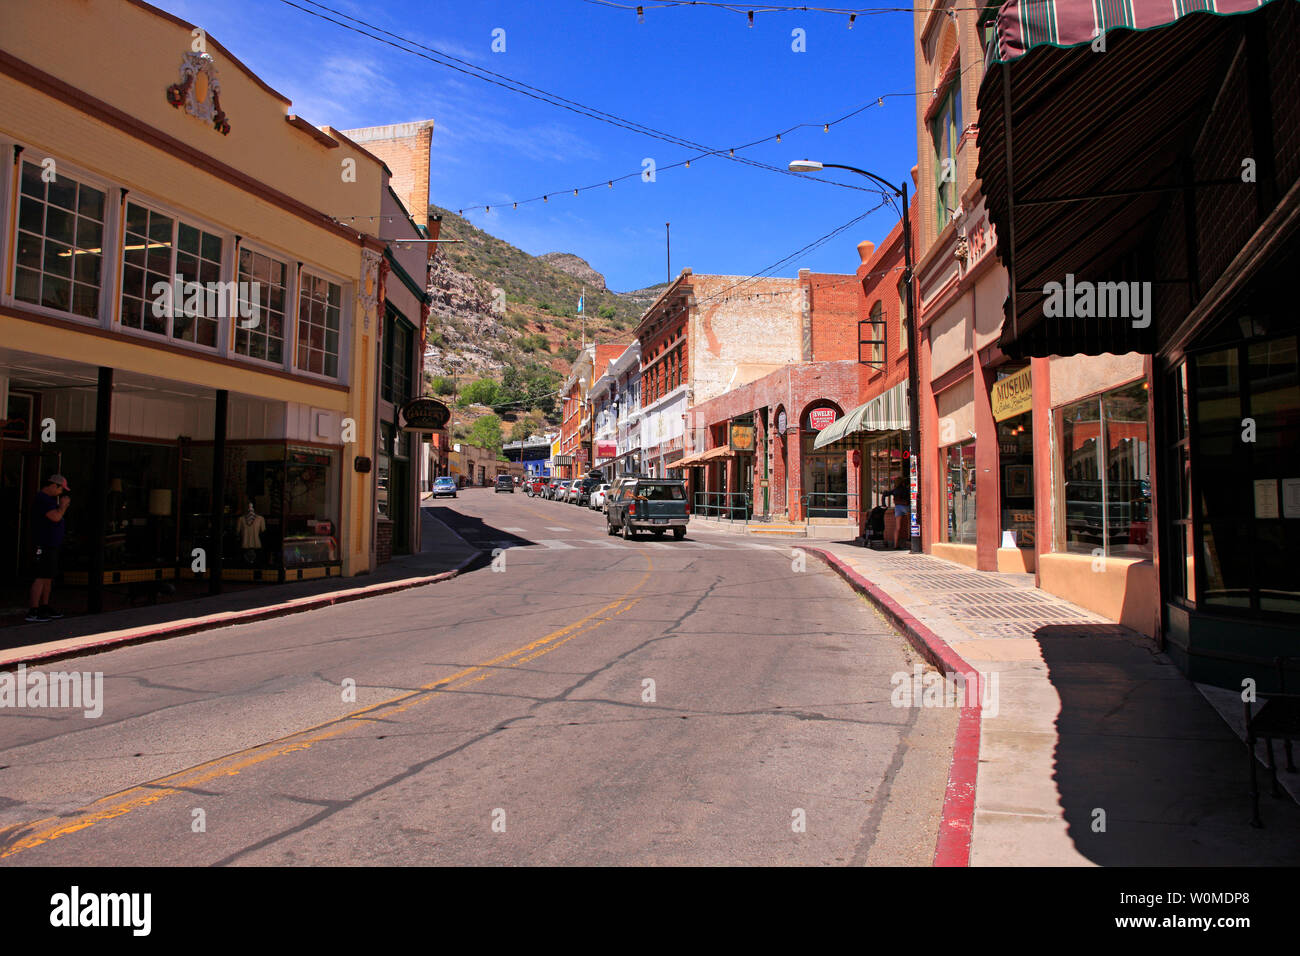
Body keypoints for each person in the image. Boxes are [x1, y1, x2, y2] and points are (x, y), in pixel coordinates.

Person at [28, 474, 71, 623]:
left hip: (52, 544)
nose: (61, 493)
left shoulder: (49, 501)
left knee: (48, 577)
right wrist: (63, 506)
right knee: (40, 576)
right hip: (43, 543)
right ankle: (33, 609)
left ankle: (44, 605)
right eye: (61, 489)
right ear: (54, 485)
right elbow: (55, 517)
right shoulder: (43, 500)